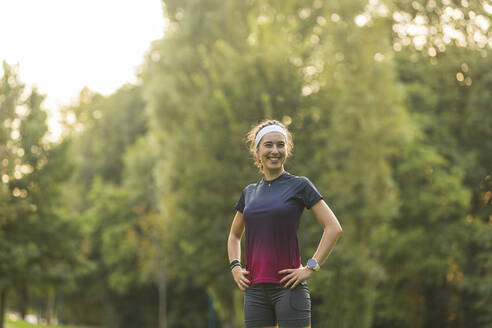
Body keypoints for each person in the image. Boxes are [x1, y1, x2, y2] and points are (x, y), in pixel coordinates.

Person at [227, 119, 343, 328]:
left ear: (287, 150)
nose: (275, 150)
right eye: (269, 145)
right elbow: (235, 235)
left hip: (289, 289)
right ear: (257, 151)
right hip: (254, 292)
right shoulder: (249, 193)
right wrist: (235, 267)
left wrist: (311, 267)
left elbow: (333, 227)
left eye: (281, 144)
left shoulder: (300, 185)